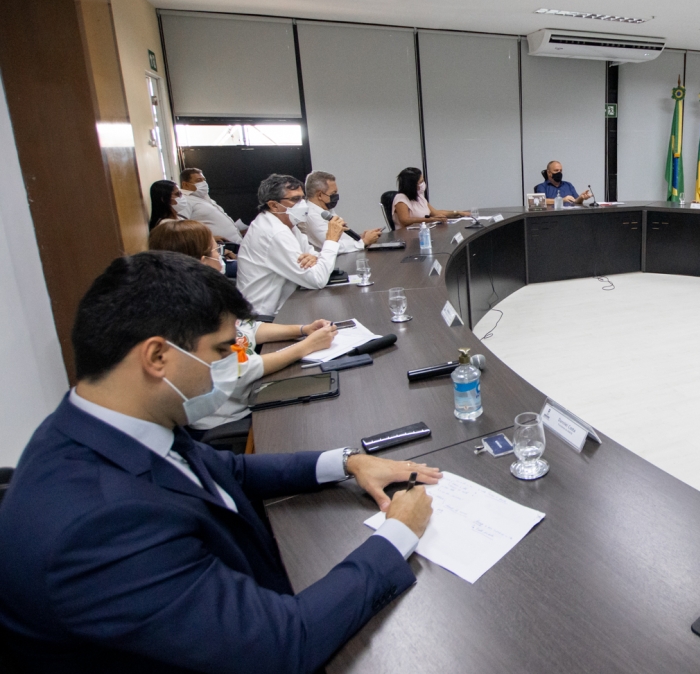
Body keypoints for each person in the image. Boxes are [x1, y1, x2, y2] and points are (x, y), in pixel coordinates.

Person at [0, 251, 439, 672]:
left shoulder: (104, 421)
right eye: (221, 350)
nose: (233, 360)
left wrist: (347, 462)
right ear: (157, 357)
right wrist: (398, 533)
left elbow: (226, 469)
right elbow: (282, 646)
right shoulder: (96, 526)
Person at [149, 220, 338, 440]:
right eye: (215, 251)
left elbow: (248, 328)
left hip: (248, 391)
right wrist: (306, 346)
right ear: (201, 262)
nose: (221, 256)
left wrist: (302, 329)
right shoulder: (191, 315)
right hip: (229, 414)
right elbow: (240, 369)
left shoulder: (209, 296)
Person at [236, 173, 346, 316]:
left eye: (302, 198)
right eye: (295, 199)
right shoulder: (274, 232)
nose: (303, 204)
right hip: (263, 317)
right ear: (274, 205)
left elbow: (313, 255)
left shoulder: (288, 224)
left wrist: (315, 259)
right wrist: (331, 240)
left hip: (285, 305)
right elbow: (317, 280)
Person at [302, 170, 383, 252]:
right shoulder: (311, 215)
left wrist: (360, 238)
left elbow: (342, 236)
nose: (336, 196)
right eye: (333, 193)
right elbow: (331, 246)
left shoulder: (327, 209)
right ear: (319, 195)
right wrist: (364, 242)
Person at [178, 167, 245, 243]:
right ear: (185, 184)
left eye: (204, 180)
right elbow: (180, 229)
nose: (204, 183)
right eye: (199, 180)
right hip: (217, 247)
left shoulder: (206, 198)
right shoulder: (184, 201)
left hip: (235, 244)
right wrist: (208, 238)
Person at [392, 167, 467, 228]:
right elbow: (405, 221)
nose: (423, 184)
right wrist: (431, 220)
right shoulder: (401, 199)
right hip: (407, 237)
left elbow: (435, 213)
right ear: (411, 185)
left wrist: (458, 212)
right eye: (420, 182)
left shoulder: (419, 197)